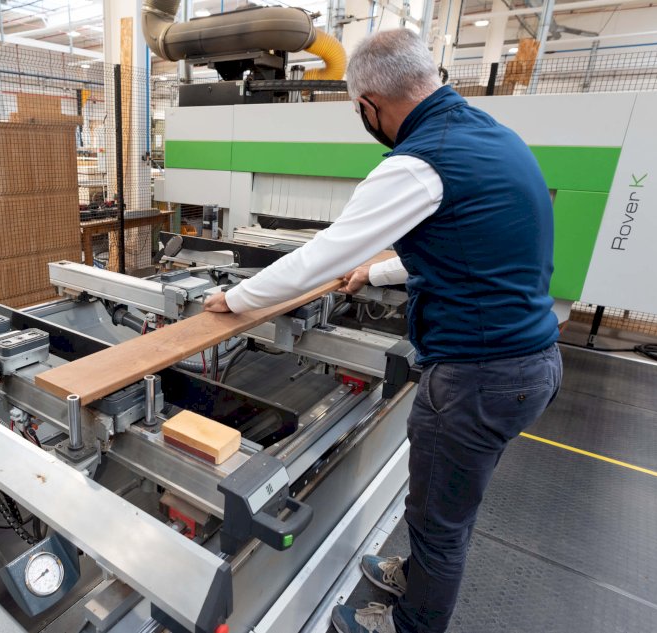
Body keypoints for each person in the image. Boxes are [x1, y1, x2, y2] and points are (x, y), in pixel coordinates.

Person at [203, 28, 563, 633]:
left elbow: (318, 256)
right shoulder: (490, 137)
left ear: (370, 105)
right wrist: (378, 270)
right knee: (449, 505)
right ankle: (419, 574)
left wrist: (232, 300)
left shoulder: (419, 161)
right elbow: (469, 245)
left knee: (439, 526)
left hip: (479, 379)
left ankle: (409, 623)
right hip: (529, 363)